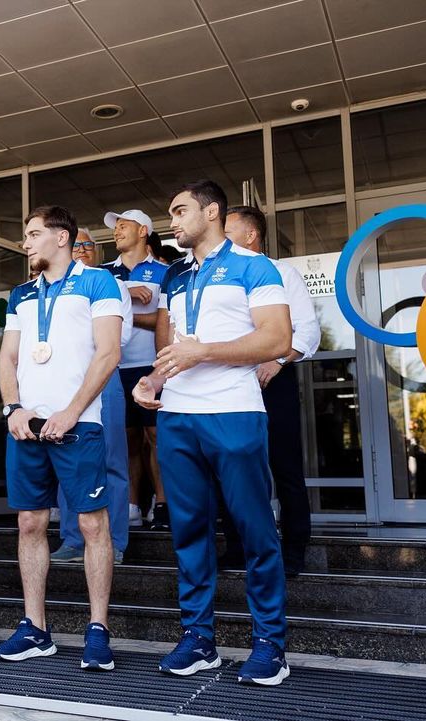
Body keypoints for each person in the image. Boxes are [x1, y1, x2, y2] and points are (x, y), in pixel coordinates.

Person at [134, 180, 293, 685]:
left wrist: (203, 352)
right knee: (189, 533)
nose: (172, 222)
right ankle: (199, 640)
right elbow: (175, 347)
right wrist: (154, 378)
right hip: (178, 415)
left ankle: (270, 645)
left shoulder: (254, 265)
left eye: (180, 211)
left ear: (212, 212)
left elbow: (277, 339)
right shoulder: (177, 275)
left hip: (234, 411)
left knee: (254, 531)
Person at [0, 206, 122, 670]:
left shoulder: (99, 281)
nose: (25, 243)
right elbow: (7, 358)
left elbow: (109, 352)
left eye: (32, 234)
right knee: (29, 523)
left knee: (92, 526)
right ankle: (35, 628)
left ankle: (98, 629)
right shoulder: (21, 293)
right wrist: (13, 407)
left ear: (62, 237)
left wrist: (71, 411)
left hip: (80, 424)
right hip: (26, 426)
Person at [224, 205, 320, 576]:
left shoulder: (282, 273)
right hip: (229, 386)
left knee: (285, 467)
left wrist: (277, 361)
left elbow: (307, 330)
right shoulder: (219, 277)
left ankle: (294, 549)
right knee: (234, 470)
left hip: (272, 380)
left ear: (251, 236)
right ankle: (237, 546)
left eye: (228, 230)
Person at [52, 228, 131, 566]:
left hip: (102, 375)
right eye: (76, 244)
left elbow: (118, 339)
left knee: (110, 459)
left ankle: (113, 541)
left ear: (97, 251)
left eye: (88, 244)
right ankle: (72, 539)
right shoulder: (51, 288)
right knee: (68, 461)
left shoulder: (109, 283)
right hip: (62, 381)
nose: (81, 250)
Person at [101, 209, 169, 530]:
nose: (116, 232)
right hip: (115, 368)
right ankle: (130, 506)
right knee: (126, 439)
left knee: (156, 436)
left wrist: (129, 313)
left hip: (152, 366)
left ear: (143, 231)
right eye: (116, 228)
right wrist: (125, 294)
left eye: (123, 226)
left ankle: (162, 503)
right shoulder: (103, 275)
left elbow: (166, 321)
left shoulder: (165, 272)